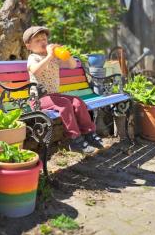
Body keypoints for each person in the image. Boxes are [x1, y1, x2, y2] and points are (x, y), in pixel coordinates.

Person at [23, 26, 104, 154]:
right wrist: (49, 56)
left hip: (54, 96)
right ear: (28, 46)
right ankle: (75, 139)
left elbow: (73, 65)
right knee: (65, 105)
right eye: (37, 40)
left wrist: (65, 54)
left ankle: (88, 133)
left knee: (77, 102)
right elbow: (35, 71)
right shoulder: (33, 58)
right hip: (38, 99)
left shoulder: (53, 57)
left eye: (44, 39)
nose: (43, 42)